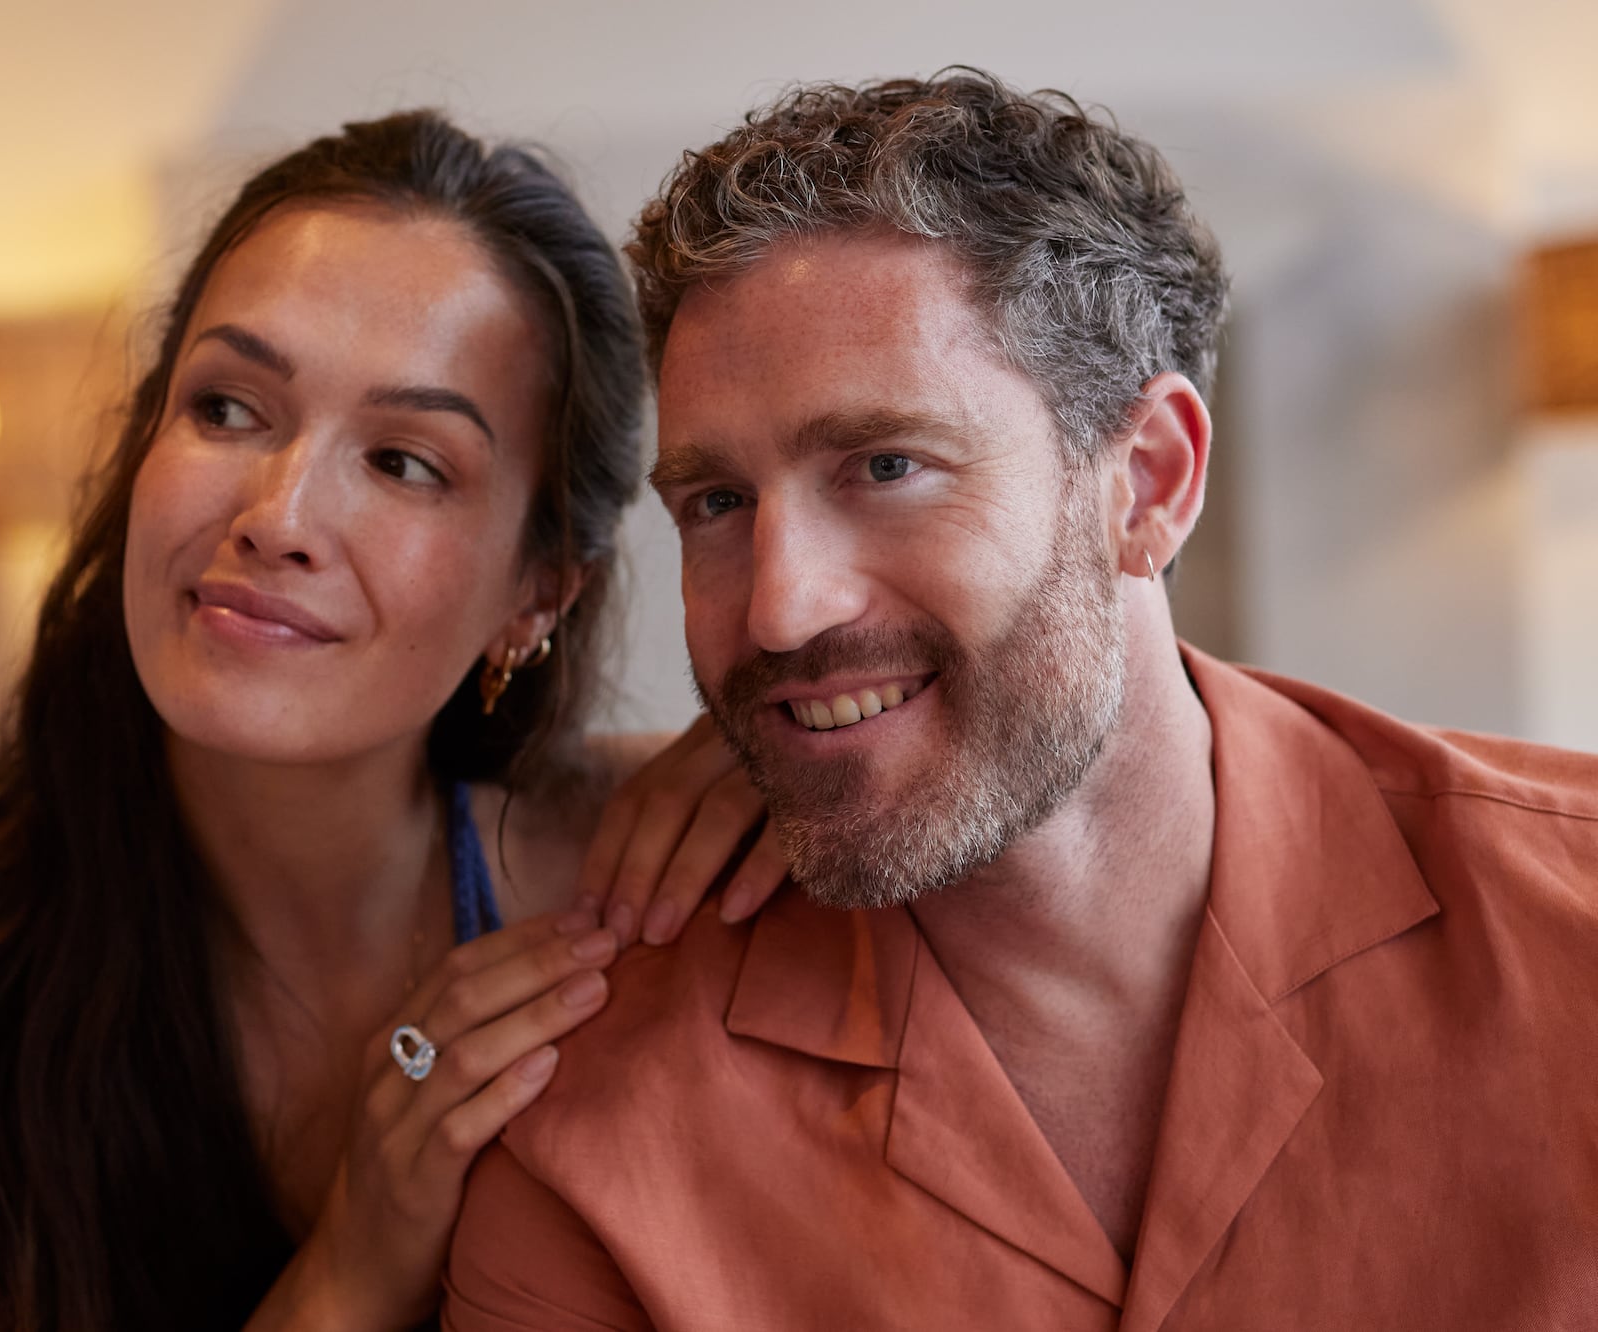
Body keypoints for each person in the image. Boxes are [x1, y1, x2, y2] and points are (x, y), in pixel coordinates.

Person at [445, 71, 1598, 1330]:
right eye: (716, 504)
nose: (778, 611)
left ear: (1147, 481)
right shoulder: (586, 1135)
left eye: (887, 465)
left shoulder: (1570, 937)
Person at [0, 111, 786, 1332]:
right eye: (227, 408)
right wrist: (353, 1265)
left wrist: (803, 767)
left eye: (406, 462)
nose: (276, 513)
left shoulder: (650, 889)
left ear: (539, 592)